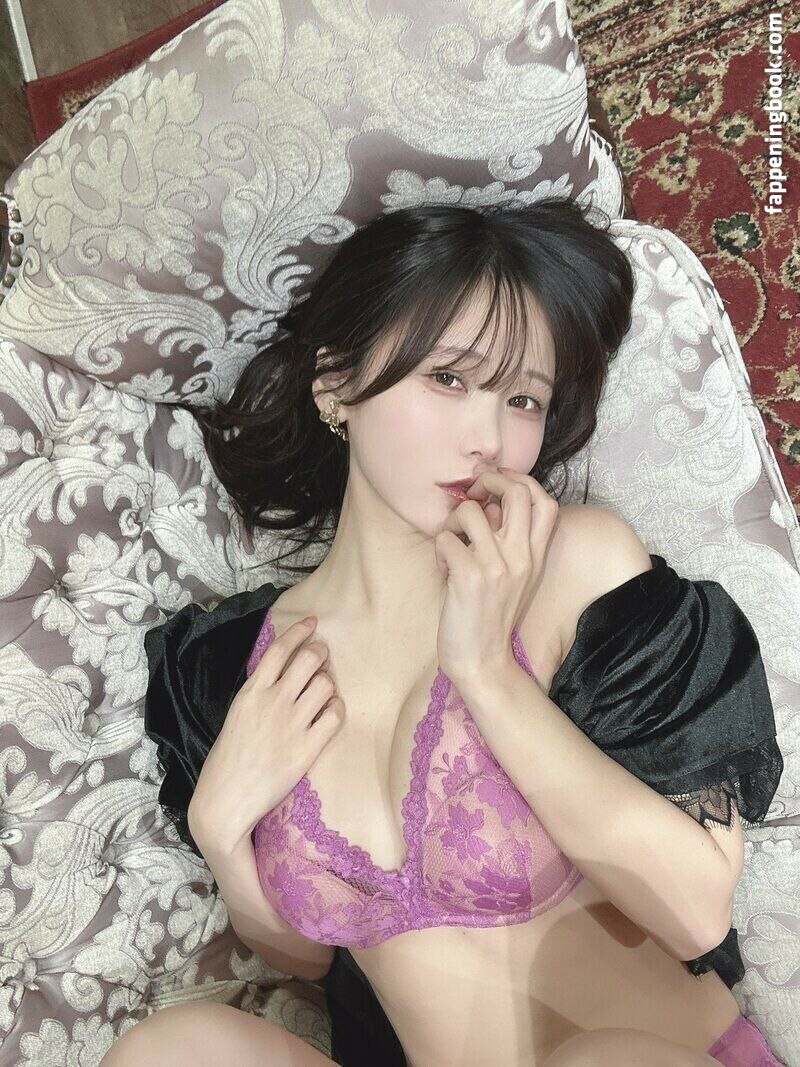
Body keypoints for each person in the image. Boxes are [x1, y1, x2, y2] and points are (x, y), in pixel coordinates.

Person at [102, 198, 784, 1066]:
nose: (488, 438)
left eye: (523, 399)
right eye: (450, 379)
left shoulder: (574, 569)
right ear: (335, 383)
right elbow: (306, 959)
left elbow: (697, 910)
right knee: (170, 1051)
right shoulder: (229, 669)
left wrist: (487, 674)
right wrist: (221, 829)